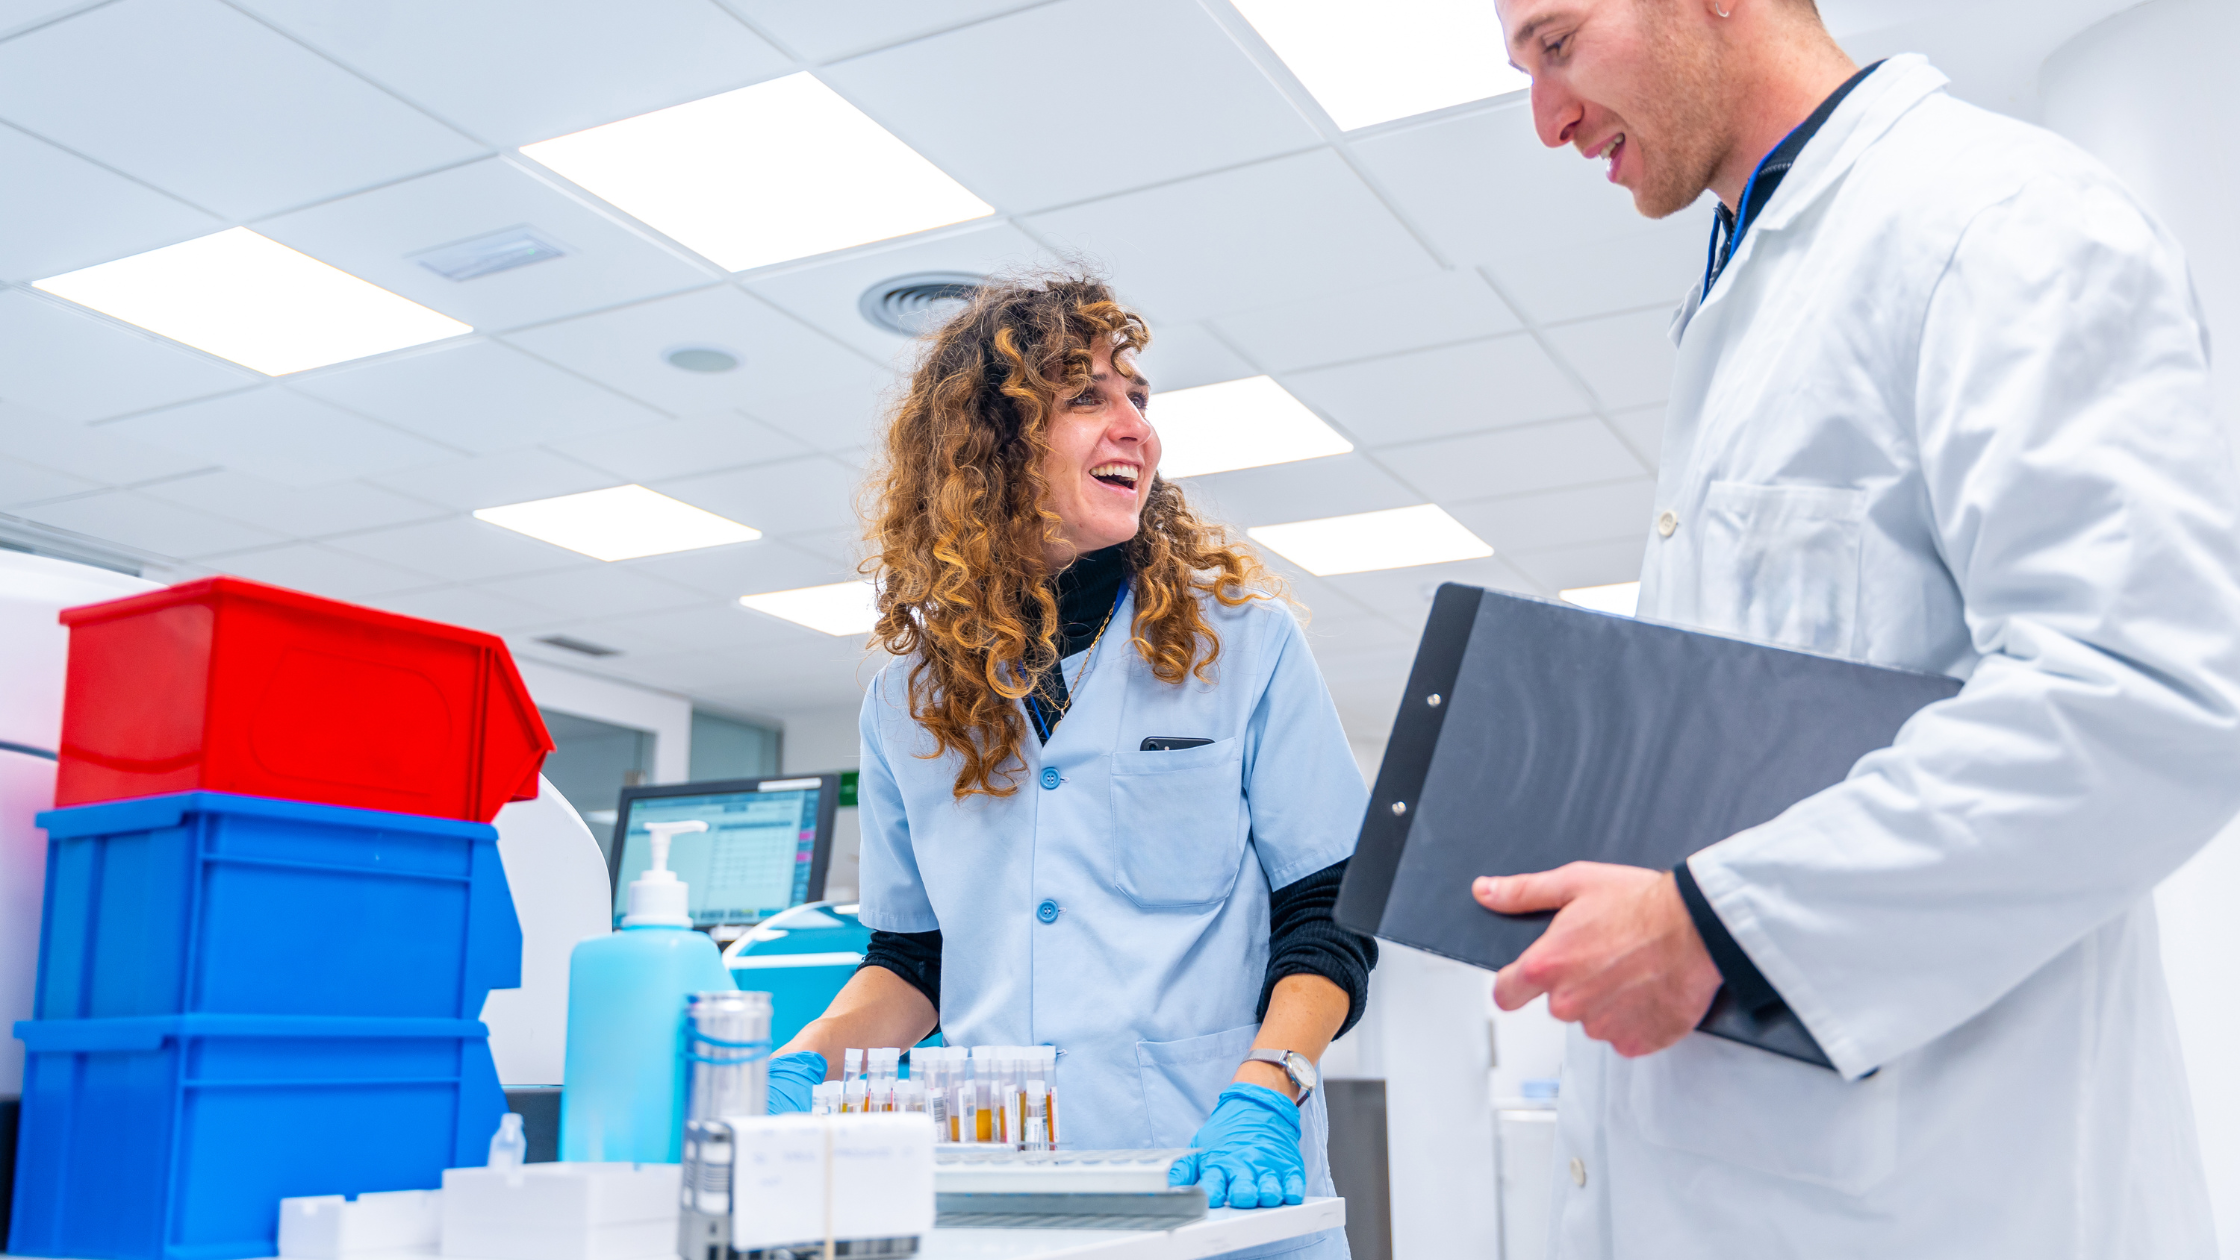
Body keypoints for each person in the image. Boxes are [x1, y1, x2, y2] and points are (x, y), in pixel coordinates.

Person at [1477, 0, 2240, 1256]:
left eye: (1555, 45)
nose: (1547, 118)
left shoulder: (1998, 223)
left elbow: (2143, 692)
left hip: (1958, 1197)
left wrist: (1717, 924)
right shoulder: (1753, 282)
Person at [762, 274, 1375, 1256]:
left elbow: (1328, 911)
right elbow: (911, 960)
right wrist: (805, 1063)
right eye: (1086, 397)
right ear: (991, 447)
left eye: (1136, 395)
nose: (1133, 424)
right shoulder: (906, 701)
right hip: (1001, 1196)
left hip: (1222, 1189)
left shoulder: (1241, 645)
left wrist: (1268, 1089)